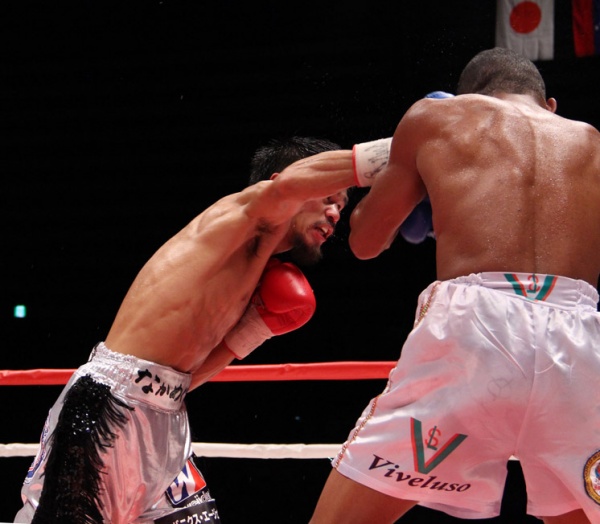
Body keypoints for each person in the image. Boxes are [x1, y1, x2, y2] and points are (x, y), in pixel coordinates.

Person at [310, 47, 600, 523]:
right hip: (581, 346)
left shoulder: (437, 118)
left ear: (467, 97)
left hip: (477, 330)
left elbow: (365, 242)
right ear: (549, 105)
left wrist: (414, 167)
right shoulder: (591, 141)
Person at [14, 136, 357, 524]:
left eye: (342, 206)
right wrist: (393, 155)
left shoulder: (254, 273)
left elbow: (184, 378)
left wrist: (254, 329)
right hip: (110, 407)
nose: (335, 213)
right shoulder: (238, 217)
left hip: (167, 419)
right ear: (286, 183)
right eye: (329, 198)